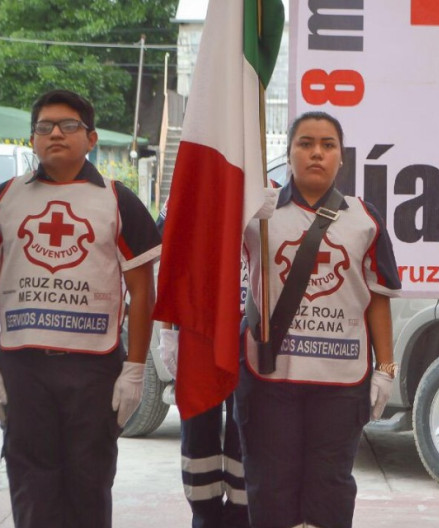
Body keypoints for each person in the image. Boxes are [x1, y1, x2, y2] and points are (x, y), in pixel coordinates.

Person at [0, 89, 161, 528]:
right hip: (23, 369)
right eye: (44, 126)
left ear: (91, 138)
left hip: (93, 372)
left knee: (89, 486)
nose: (55, 133)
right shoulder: (5, 199)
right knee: (32, 488)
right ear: (31, 140)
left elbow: (142, 291)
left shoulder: (117, 200)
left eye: (69, 125)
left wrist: (133, 370)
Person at [235, 111, 401, 528]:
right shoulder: (257, 213)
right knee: (270, 487)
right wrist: (241, 210)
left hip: (340, 382)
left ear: (341, 158)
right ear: (288, 153)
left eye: (328, 145)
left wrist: (386, 369)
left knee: (330, 488)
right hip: (270, 379)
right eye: (305, 143)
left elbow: (378, 299)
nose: (316, 153)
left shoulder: (365, 218)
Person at [155, 204, 249, 528]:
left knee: (246, 440)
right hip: (198, 336)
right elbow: (169, 264)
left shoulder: (271, 196)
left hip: (250, 341)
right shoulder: (190, 193)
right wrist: (168, 332)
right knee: (198, 443)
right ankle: (205, 519)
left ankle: (240, 519)